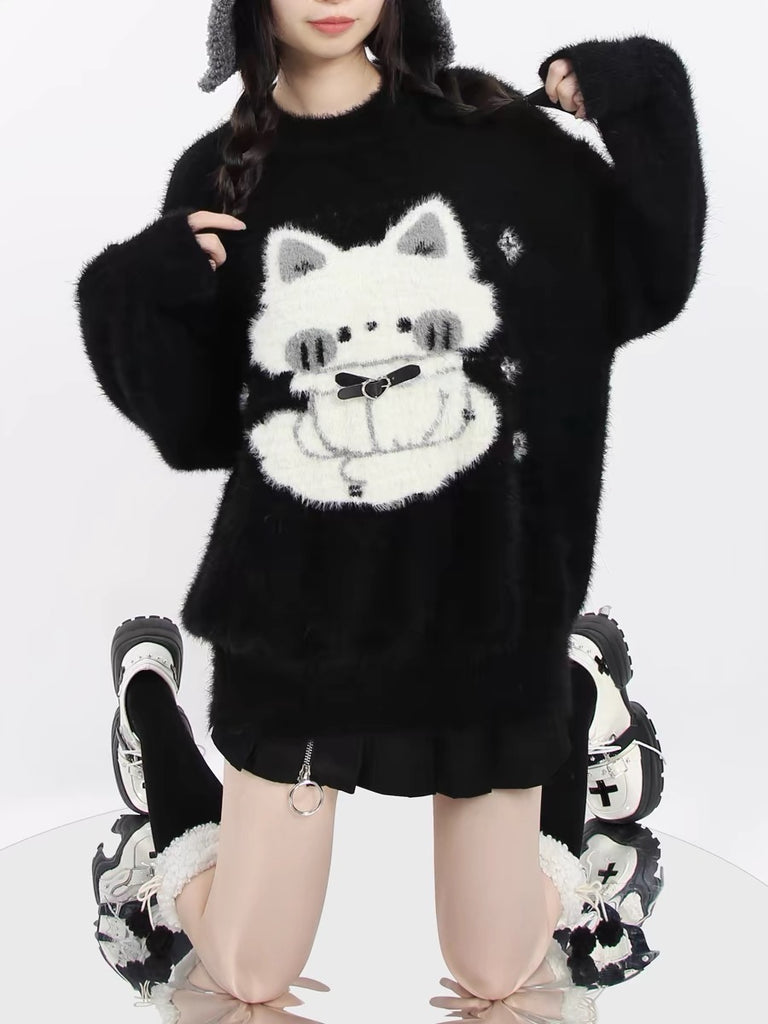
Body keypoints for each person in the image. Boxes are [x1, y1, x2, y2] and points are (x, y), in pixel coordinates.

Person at [75, 0, 706, 1008]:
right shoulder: (220, 177)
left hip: (479, 616)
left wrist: (641, 91)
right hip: (301, 623)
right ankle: (150, 710)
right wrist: (129, 295)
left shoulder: (493, 138)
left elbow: (646, 275)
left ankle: (576, 696)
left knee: (496, 968)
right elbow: (199, 432)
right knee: (248, 970)